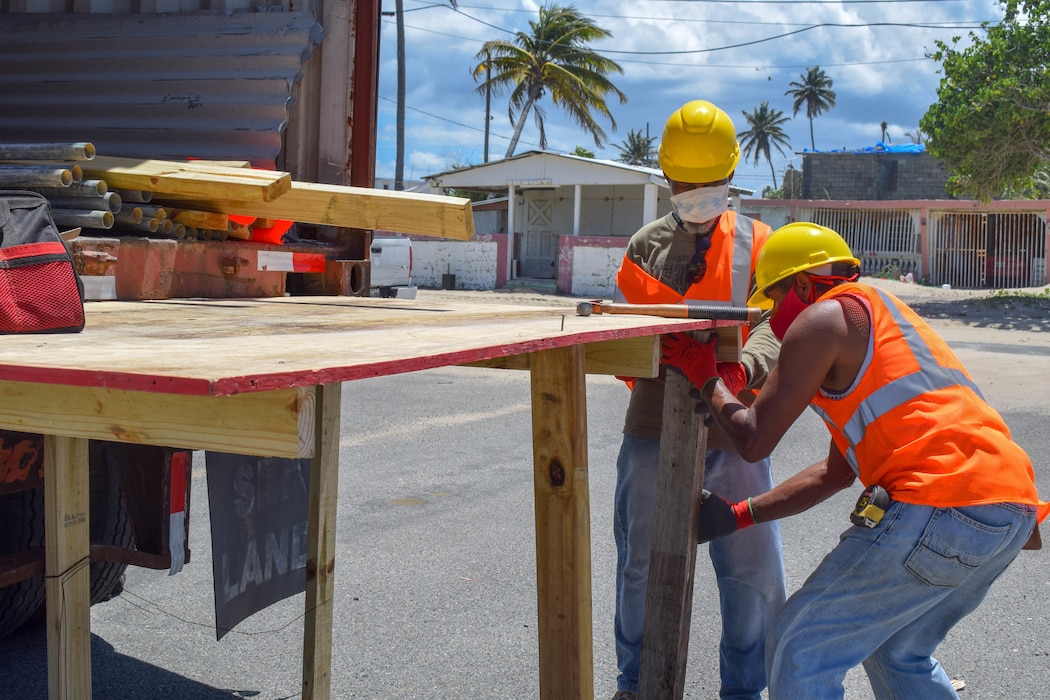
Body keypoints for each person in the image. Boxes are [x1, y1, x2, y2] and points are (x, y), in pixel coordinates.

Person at [663, 221, 1049, 699]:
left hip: (940, 500)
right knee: (897, 653)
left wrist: (704, 376)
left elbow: (754, 439)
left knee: (801, 647)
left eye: (774, 304)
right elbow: (832, 475)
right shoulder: (885, 325)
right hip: (1008, 511)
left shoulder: (822, 318)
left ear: (803, 284)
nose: (774, 323)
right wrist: (739, 516)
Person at [610, 99, 787, 700]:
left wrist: (738, 370)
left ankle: (747, 690)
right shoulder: (642, 249)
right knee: (641, 564)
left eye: (707, 184)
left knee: (753, 574)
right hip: (655, 427)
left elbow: (776, 322)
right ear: (666, 177)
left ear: (731, 175)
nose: (697, 194)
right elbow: (631, 338)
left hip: (736, 426)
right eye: (687, 185)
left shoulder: (761, 243)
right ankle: (637, 684)